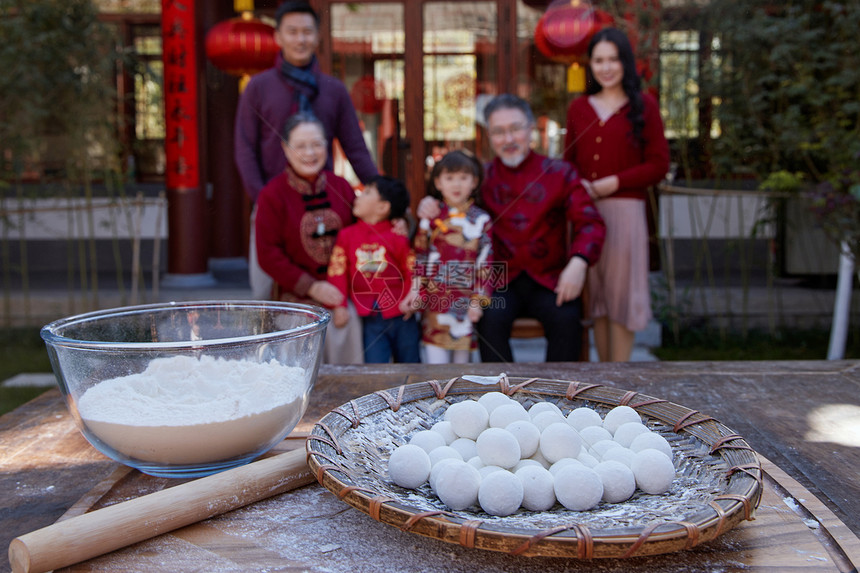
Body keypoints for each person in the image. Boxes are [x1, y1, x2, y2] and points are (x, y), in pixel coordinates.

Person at [418, 94, 606, 363]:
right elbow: (451, 204)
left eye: (515, 129)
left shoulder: (560, 172)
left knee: (566, 319)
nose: (508, 139)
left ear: (531, 128)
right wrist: (429, 204)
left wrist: (579, 262)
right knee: (489, 319)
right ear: (489, 135)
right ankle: (504, 397)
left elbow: (591, 221)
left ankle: (558, 396)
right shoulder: (480, 178)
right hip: (499, 281)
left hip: (550, 279)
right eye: (498, 132)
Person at [235, 1, 377, 299]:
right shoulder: (258, 88)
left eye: (307, 32)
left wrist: (382, 193)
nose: (300, 39)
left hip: (324, 206)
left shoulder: (333, 90)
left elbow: (356, 148)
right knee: (266, 295)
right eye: (293, 32)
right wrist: (262, 199)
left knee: (334, 290)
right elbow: (245, 148)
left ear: (317, 37)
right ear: (278, 37)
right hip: (272, 205)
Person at [564, 28, 670, 362]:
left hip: (626, 213)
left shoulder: (645, 106)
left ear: (625, 62)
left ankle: (620, 377)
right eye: (598, 60)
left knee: (622, 299)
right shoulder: (579, 108)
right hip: (586, 216)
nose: (606, 67)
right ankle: (603, 377)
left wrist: (612, 183)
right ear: (590, 65)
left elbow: (659, 164)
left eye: (613, 59)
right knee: (597, 297)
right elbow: (568, 164)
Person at [254, 112, 364, 364]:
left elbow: (364, 230)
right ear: (285, 147)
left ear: (327, 145)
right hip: (295, 302)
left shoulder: (342, 186)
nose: (310, 152)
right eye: (300, 146)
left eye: (316, 144)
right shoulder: (272, 195)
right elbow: (268, 254)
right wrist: (312, 287)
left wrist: (397, 223)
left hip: (342, 299)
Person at [327, 176, 421, 363]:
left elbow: (412, 269)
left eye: (367, 192)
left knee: (411, 364)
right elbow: (337, 272)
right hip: (370, 317)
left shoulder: (397, 237)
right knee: (374, 365)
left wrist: (415, 296)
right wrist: (339, 306)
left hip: (402, 315)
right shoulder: (346, 236)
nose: (358, 196)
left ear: (382, 207)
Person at [414, 150, 492, 364]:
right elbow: (419, 256)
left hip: (465, 300)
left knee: (461, 365)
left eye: (463, 178)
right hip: (434, 299)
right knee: (434, 362)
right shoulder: (431, 217)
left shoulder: (482, 220)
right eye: (449, 178)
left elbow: (485, 262)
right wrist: (416, 290)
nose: (456, 185)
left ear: (474, 182)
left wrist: (478, 301)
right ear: (438, 183)